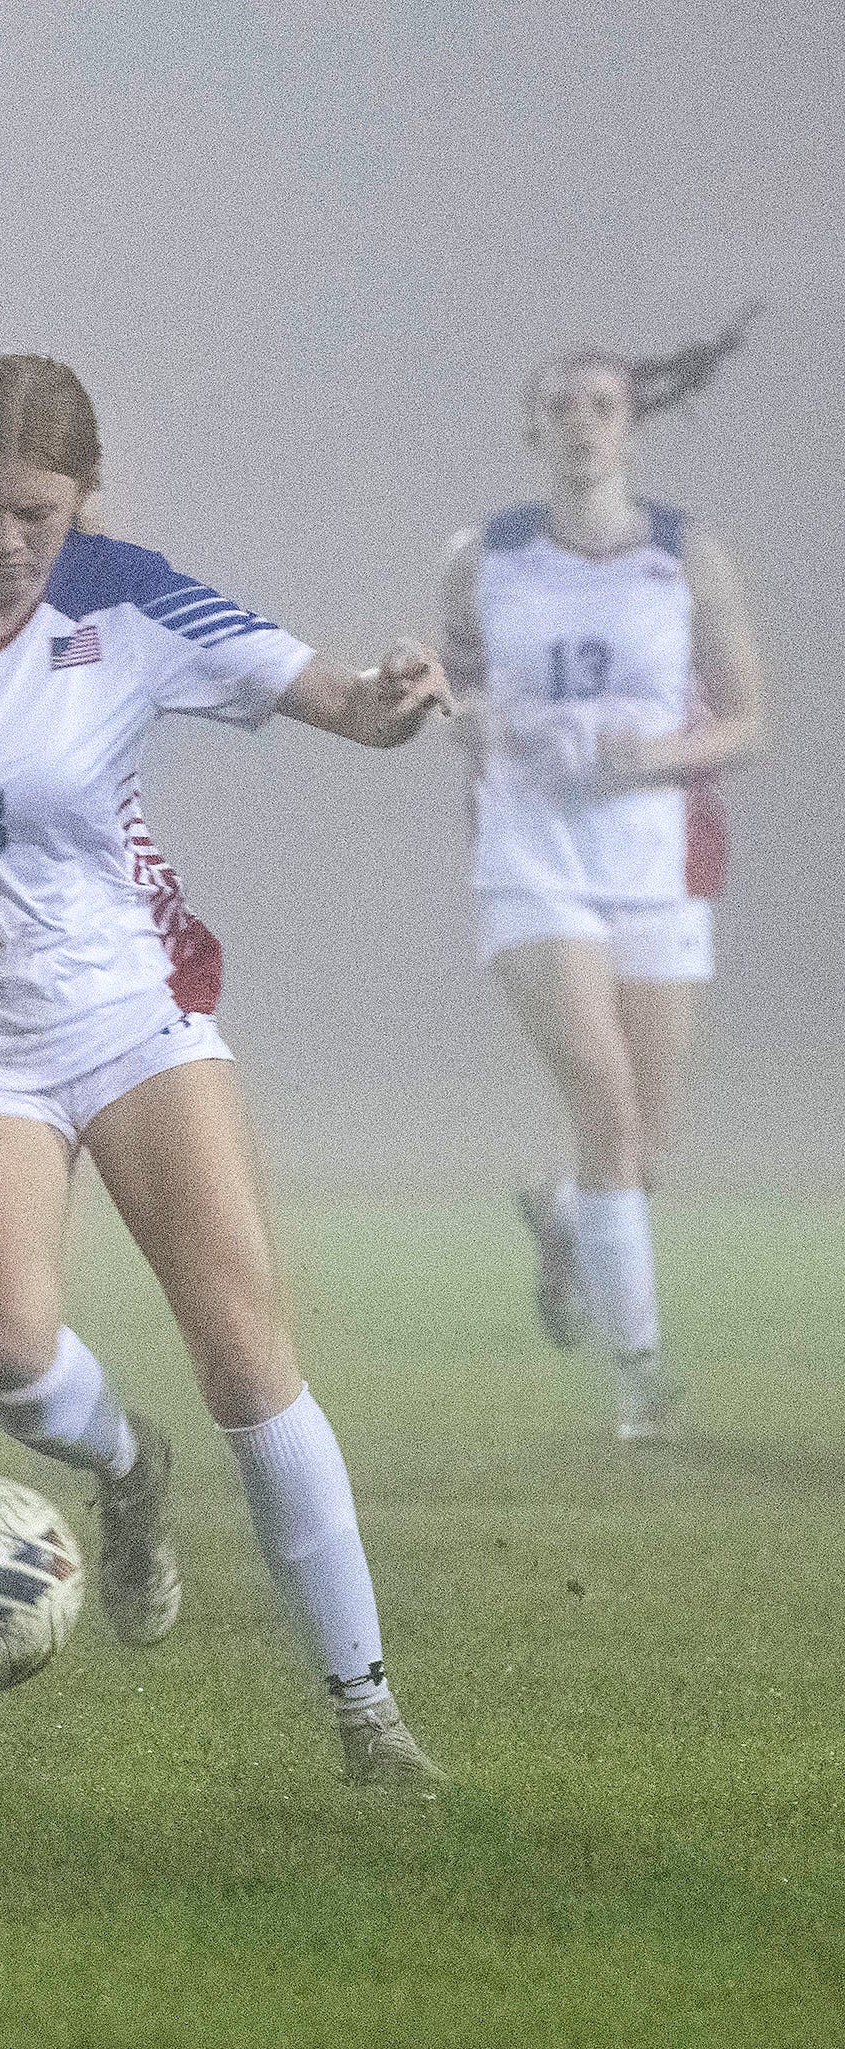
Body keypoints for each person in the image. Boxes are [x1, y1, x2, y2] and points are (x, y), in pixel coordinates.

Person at [0, 353, 453, 1788]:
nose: (13, 541)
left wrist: (397, 696)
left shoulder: (130, 594)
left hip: (130, 1009)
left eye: (41, 510)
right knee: (9, 1348)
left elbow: (341, 701)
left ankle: (368, 1710)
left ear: (85, 497)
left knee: (247, 1354)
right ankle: (130, 1471)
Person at [435, 311, 765, 1441]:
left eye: (602, 406)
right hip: (533, 860)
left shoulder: (686, 554)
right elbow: (453, 690)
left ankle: (568, 1216)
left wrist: (661, 753)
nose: (582, 425)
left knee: (644, 1139)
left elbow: (747, 720)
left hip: (652, 860)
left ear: (632, 426)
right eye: (561, 407)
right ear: (534, 428)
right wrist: (468, 720)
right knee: (606, 1102)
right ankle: (640, 1384)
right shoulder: (486, 555)